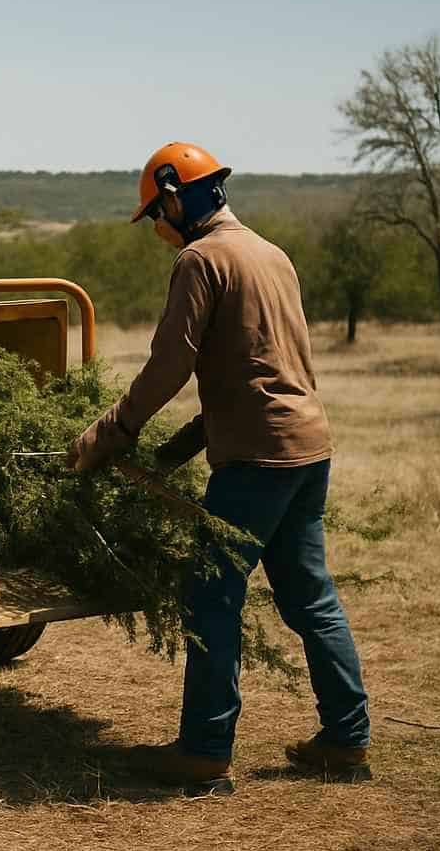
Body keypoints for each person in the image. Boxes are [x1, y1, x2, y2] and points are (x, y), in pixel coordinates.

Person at [68, 142, 371, 792]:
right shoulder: (271, 254)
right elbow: (267, 365)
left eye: (155, 212)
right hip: (307, 448)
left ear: (176, 198)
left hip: (257, 460)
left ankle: (204, 752)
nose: (156, 227)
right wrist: (178, 449)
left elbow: (170, 364)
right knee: (311, 596)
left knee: (210, 596)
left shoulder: (199, 259)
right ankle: (346, 739)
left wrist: (113, 432)